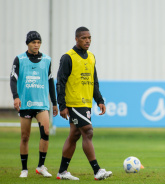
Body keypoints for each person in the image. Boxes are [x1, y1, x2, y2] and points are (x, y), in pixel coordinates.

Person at [56, 26, 112, 181]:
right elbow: (60, 82)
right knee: (88, 131)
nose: (87, 41)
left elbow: (94, 82)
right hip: (74, 102)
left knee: (74, 135)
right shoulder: (68, 57)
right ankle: (97, 170)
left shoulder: (92, 57)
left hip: (86, 103)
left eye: (89, 38)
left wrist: (99, 100)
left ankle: (62, 171)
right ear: (76, 39)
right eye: (84, 38)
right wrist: (62, 105)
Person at [10, 31, 58, 178]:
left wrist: (54, 103)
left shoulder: (47, 60)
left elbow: (50, 82)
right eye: (33, 42)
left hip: (41, 104)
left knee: (46, 133)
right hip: (25, 104)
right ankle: (24, 169)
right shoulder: (20, 59)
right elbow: (13, 79)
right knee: (25, 136)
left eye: (38, 42)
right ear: (27, 44)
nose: (36, 45)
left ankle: (41, 166)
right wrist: (16, 97)